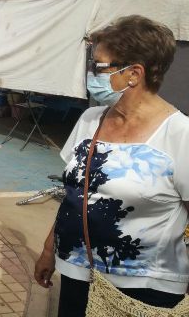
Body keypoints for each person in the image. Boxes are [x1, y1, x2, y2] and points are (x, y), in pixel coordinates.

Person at [34, 16, 189, 316]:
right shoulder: (91, 120)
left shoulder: (180, 133)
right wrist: (48, 249)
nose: (91, 74)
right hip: (78, 273)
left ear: (134, 73)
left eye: (99, 66)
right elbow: (72, 196)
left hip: (146, 287)